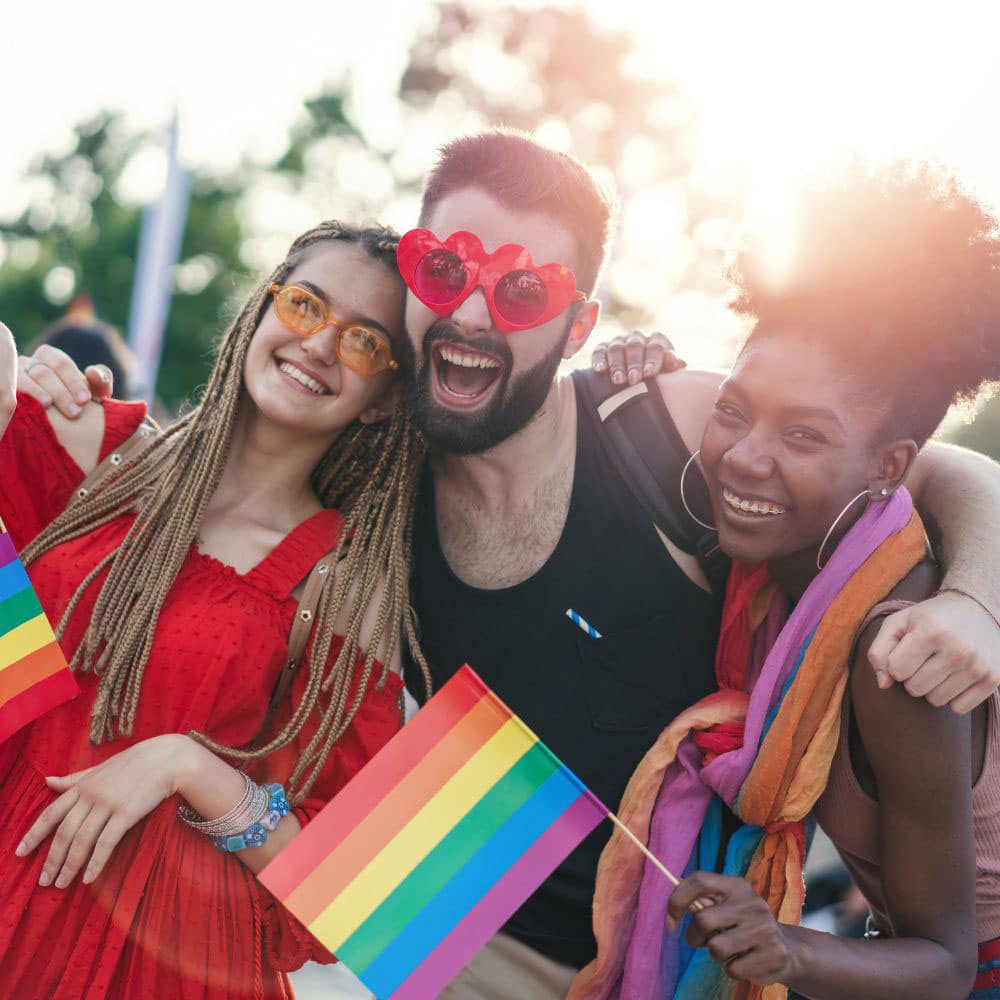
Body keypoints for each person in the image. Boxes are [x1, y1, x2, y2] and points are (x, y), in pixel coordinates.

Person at [27, 131, 1000, 998]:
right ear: (412, 289)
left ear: (577, 325)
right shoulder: (373, 518)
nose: (476, 313)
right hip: (498, 944)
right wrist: (48, 403)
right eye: (446, 271)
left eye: (523, 289)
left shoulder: (666, 431)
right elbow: (209, 469)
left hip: (715, 947)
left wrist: (975, 601)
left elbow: (930, 462)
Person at [572, 162, 1000, 1000]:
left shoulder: (898, 647)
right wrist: (643, 368)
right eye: (734, 410)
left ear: (889, 467)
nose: (745, 456)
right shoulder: (775, 575)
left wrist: (786, 948)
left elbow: (947, 962)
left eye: (803, 437)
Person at [0, 220, 426, 999]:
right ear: (260, 314)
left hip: (160, 957)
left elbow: (342, 900)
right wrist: (15, 374)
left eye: (364, 342)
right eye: (304, 305)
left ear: (383, 399)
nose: (321, 347)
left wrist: (186, 765)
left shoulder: (342, 587)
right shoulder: (103, 449)